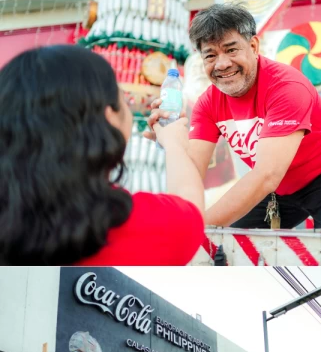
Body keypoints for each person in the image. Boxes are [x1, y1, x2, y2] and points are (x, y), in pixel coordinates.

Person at [145, 3, 321, 230]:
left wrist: (195, 226)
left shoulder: (287, 87)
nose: (222, 64)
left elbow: (266, 175)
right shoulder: (208, 102)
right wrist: (172, 141)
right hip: (281, 186)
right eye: (210, 55)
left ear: (253, 46)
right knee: (233, 243)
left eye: (231, 50)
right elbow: (192, 171)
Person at [0, 45, 205, 265]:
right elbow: (190, 210)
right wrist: (173, 143)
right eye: (123, 99)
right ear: (108, 119)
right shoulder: (133, 225)